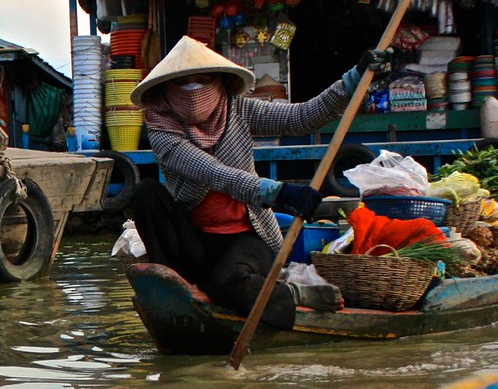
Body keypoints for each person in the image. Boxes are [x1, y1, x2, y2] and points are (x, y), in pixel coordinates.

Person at [128, 35, 390, 330]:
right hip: (193, 241)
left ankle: (292, 294)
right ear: (166, 88)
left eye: (203, 80)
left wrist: (352, 81)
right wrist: (277, 192)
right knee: (145, 193)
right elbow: (210, 172)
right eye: (184, 82)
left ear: (219, 82)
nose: (193, 90)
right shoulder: (162, 125)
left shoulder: (238, 110)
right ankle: (175, 288)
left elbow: (301, 118)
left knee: (227, 284)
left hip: (245, 238)